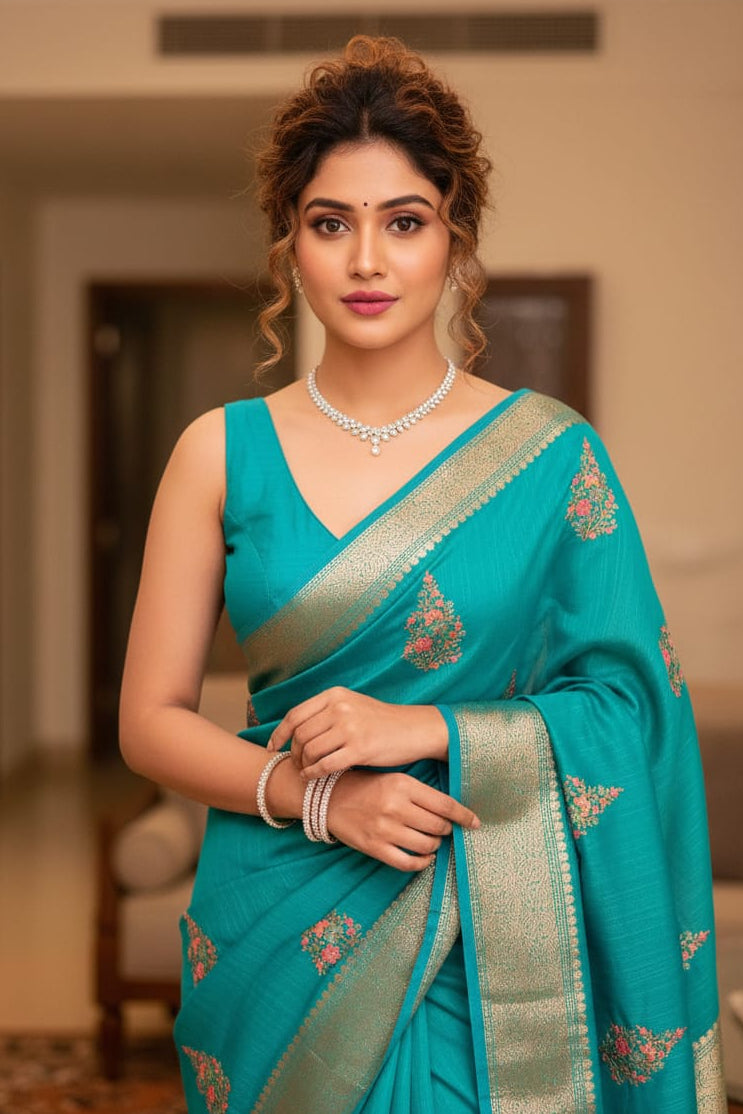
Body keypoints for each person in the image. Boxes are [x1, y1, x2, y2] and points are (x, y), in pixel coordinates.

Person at [119, 35, 726, 1114]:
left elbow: (630, 708)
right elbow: (151, 719)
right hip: (274, 923)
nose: (365, 261)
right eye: (328, 224)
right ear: (287, 248)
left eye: (402, 222)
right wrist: (319, 799)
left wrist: (433, 732)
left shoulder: (547, 458)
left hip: (487, 932)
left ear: (454, 242)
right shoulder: (218, 452)